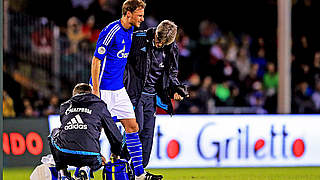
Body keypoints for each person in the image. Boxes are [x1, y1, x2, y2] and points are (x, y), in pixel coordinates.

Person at [90, 0, 162, 179]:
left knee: (132, 127)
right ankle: (82, 171)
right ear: (127, 14)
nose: (142, 19)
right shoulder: (111, 30)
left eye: (143, 15)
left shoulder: (131, 31)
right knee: (94, 132)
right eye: (139, 15)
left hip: (119, 90)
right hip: (103, 90)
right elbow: (96, 60)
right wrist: (96, 91)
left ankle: (139, 173)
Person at [124, 20, 189, 171]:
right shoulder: (138, 38)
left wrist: (175, 90)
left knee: (147, 138)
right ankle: (121, 160)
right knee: (136, 129)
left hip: (152, 96)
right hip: (135, 93)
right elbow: (122, 61)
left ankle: (137, 171)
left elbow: (172, 74)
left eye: (164, 44)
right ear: (156, 33)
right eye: (158, 41)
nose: (160, 45)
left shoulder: (172, 47)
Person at [48, 83, 126, 180]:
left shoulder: (65, 106)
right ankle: (86, 168)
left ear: (74, 95)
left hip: (65, 155)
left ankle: (62, 173)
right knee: (91, 152)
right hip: (92, 158)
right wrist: (115, 153)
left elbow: (72, 133)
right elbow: (113, 133)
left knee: (54, 133)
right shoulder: (100, 105)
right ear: (91, 93)